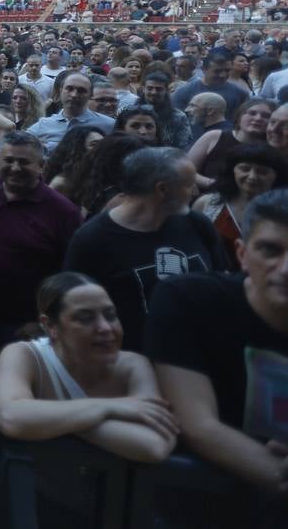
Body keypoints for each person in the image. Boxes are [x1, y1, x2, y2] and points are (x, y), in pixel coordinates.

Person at [0, 273, 178, 529]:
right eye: (85, 318)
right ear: (50, 326)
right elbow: (11, 416)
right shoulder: (26, 355)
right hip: (10, 500)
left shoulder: (133, 366)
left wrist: (48, 421)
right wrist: (109, 407)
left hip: (93, 510)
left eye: (110, 315)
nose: (105, 327)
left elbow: (154, 445)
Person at [146, 189, 288, 522]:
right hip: (200, 510)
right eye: (270, 250)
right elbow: (198, 424)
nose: (286, 269)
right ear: (242, 254)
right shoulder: (190, 301)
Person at [0, 131, 82, 418]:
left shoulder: (62, 211)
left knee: (24, 389)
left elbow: (69, 273)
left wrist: (46, 319)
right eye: (8, 160)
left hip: (26, 321)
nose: (15, 168)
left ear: (41, 166)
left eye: (24, 162)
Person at [63, 147, 228, 352]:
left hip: (200, 353)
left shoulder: (197, 224)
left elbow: (222, 280)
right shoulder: (92, 240)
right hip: (131, 359)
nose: (195, 191)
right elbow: (76, 310)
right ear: (162, 190)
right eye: (189, 184)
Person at [192, 143, 288, 263]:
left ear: (276, 175)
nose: (252, 176)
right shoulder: (206, 204)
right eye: (245, 169)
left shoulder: (284, 209)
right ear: (233, 171)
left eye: (262, 172)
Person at [188, 97, 274, 189]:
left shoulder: (273, 148)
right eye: (252, 113)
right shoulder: (214, 137)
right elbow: (186, 170)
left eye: (266, 116)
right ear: (239, 116)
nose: (258, 118)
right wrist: (212, 184)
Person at [27, 72, 115, 155]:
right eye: (69, 89)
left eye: (81, 91)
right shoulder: (42, 125)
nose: (74, 95)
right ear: (61, 91)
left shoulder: (109, 125)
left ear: (90, 95)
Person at [45, 126, 106, 206]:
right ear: (77, 149)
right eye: (94, 145)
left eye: (103, 144)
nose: (101, 149)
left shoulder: (101, 177)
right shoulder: (61, 182)